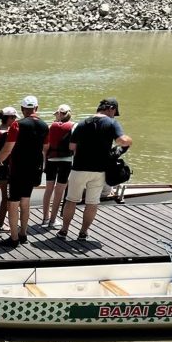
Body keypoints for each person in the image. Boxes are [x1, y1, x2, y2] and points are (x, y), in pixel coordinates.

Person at [58, 97, 133, 241]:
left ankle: (64, 230)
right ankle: (83, 233)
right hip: (99, 170)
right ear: (110, 108)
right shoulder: (112, 123)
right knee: (92, 203)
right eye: (114, 112)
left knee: (71, 200)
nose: (114, 115)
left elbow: (71, 147)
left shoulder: (82, 123)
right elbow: (122, 141)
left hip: (79, 168)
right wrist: (130, 141)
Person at [0, 96, 49, 248]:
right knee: (26, 201)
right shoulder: (45, 126)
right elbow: (45, 149)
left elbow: (8, 147)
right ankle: (23, 234)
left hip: (18, 169)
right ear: (36, 109)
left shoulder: (18, 125)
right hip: (34, 169)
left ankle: (13, 238)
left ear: (22, 109)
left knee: (13, 203)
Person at [42, 104, 75, 228]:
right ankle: (53, 220)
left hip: (51, 160)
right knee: (59, 191)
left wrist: (45, 162)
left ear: (58, 115)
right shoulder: (73, 126)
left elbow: (45, 148)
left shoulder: (50, 127)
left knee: (48, 189)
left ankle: (45, 218)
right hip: (66, 161)